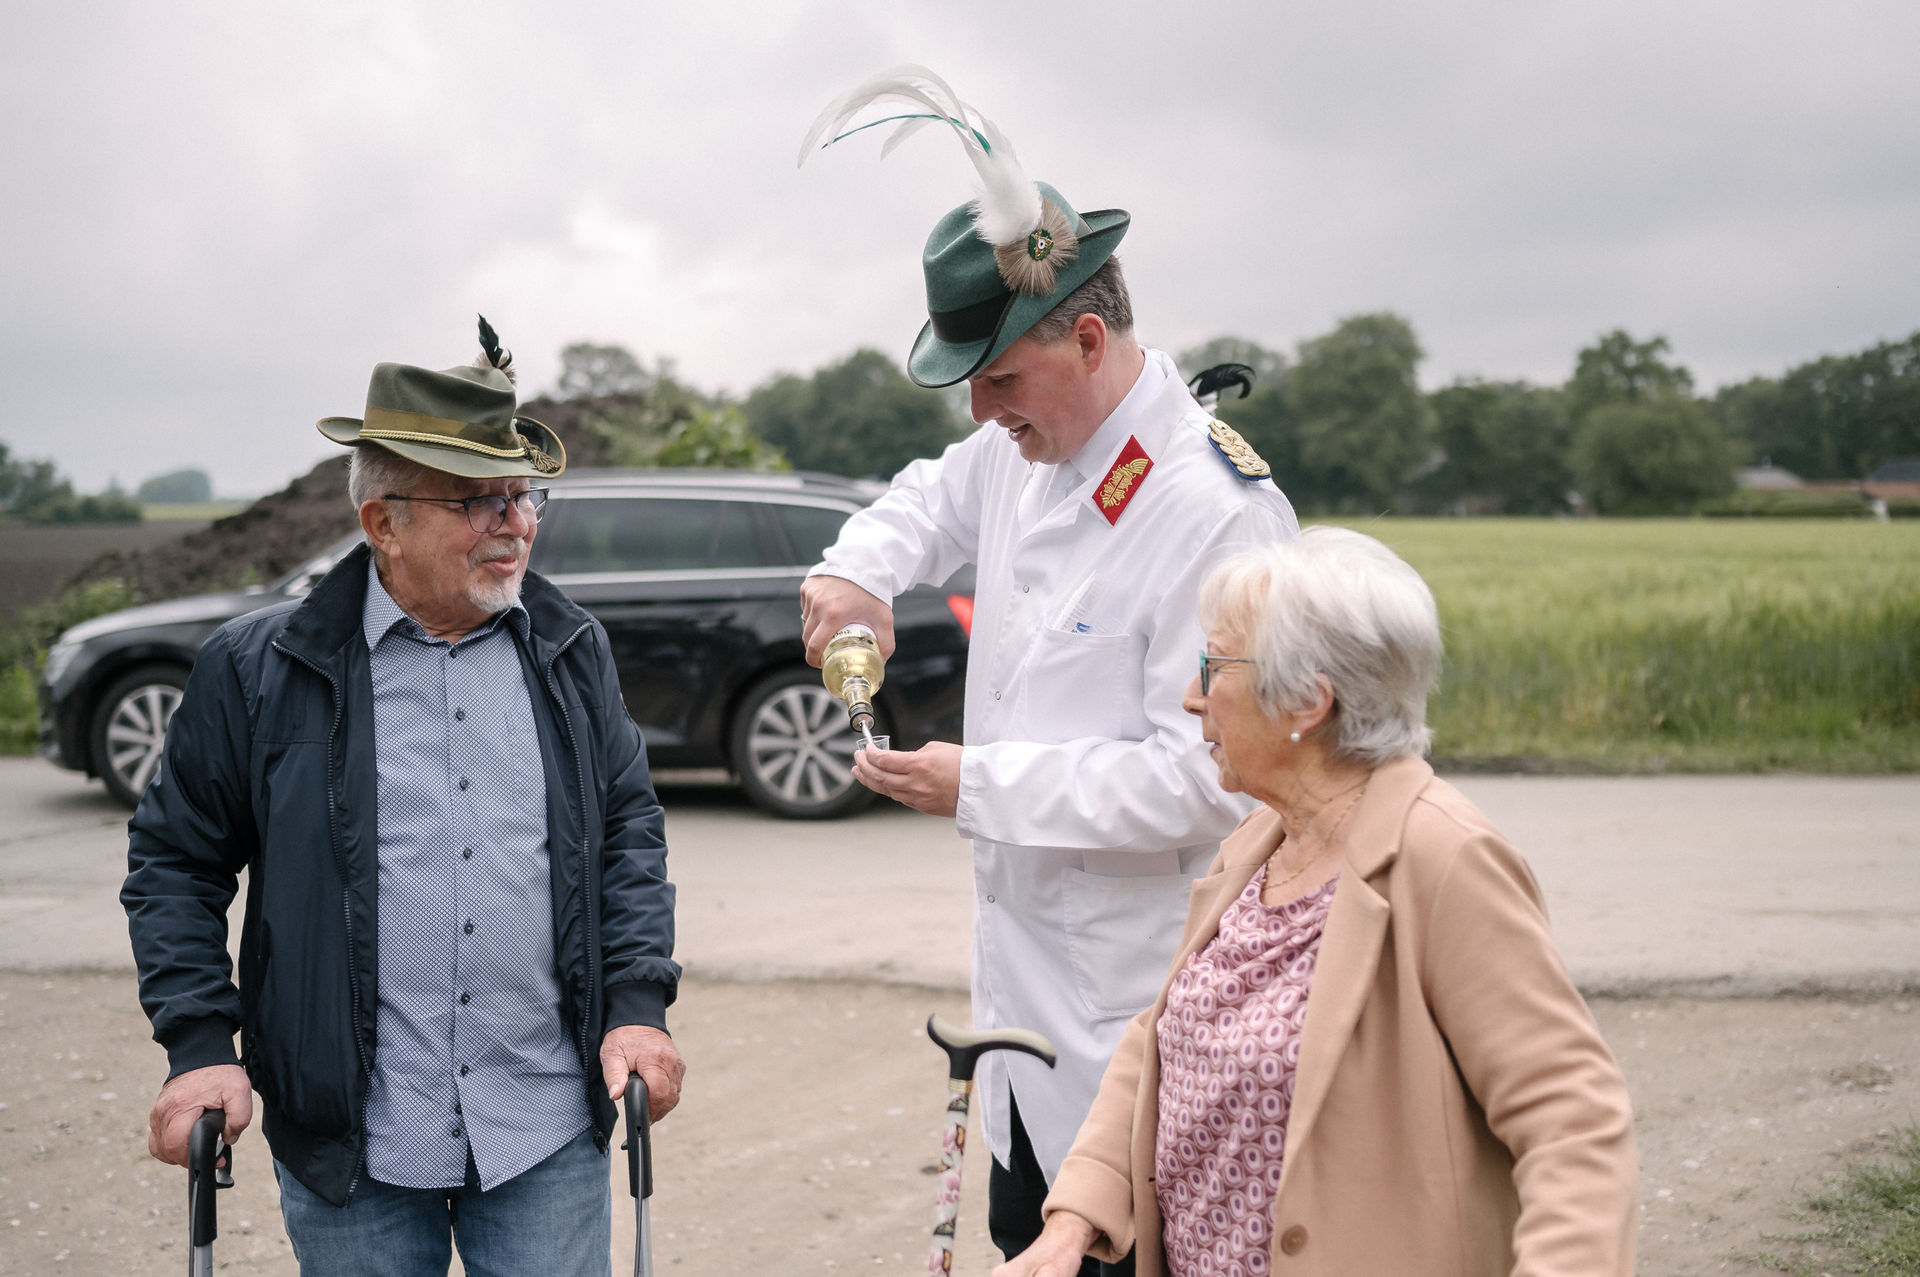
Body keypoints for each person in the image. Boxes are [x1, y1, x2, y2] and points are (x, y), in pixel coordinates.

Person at [797, 69, 1299, 1273]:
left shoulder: (1216, 512)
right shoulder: (1026, 449)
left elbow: (1211, 778)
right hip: (1023, 1034)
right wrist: (853, 574)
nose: (981, 409)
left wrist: (977, 783)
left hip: (1148, 1032)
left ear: (1087, 336)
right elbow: (924, 501)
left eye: (1001, 377)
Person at [121, 321, 684, 1277]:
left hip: (542, 1120)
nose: (516, 524)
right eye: (479, 501)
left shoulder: (569, 649)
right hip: (354, 1140)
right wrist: (200, 1043)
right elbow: (176, 861)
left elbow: (628, 831)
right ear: (384, 522)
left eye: (524, 496)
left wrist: (638, 1005)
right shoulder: (261, 669)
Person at [999, 527, 1639, 1276]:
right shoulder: (1258, 841)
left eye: (1214, 665)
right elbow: (1159, 1041)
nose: (1191, 696)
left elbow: (1573, 1121)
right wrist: (1072, 1221)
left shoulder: (1445, 857)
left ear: (1307, 700)